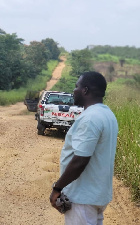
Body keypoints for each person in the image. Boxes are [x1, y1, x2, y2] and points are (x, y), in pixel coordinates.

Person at [49, 71, 118, 225]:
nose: (74, 91)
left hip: (83, 197)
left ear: (85, 90)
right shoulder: (108, 115)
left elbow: (80, 160)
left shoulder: (90, 118)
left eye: (76, 87)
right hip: (96, 195)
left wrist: (57, 188)